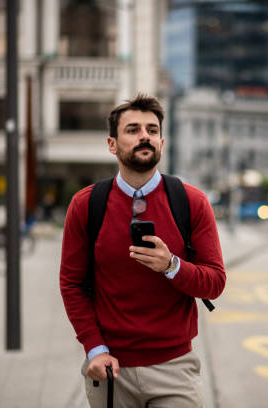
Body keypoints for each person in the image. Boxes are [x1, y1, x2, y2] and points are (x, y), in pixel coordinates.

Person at [60, 94, 226, 407]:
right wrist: (94, 348)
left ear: (162, 142)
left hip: (174, 368)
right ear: (112, 144)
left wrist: (171, 265)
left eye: (151, 129)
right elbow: (72, 285)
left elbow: (215, 282)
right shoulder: (86, 205)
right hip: (110, 366)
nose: (144, 136)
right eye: (133, 129)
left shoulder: (192, 202)